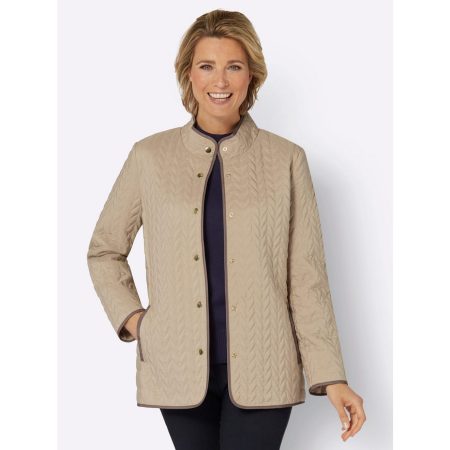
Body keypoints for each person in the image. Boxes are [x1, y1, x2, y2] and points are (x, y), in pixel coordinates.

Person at [86, 8, 366, 450]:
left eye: (234, 66)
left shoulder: (286, 159)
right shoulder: (149, 157)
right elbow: (104, 250)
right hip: (176, 368)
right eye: (206, 66)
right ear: (189, 74)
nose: (220, 80)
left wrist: (332, 376)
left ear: (251, 76)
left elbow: (307, 277)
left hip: (266, 366)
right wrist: (138, 322)